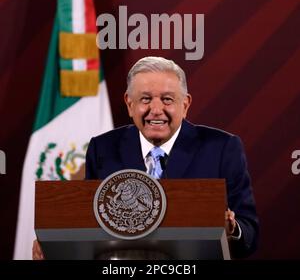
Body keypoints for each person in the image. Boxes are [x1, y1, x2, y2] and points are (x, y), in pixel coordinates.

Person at [33, 56, 258, 260]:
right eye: (145, 99)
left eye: (167, 99)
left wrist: (232, 229)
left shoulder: (221, 148)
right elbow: (90, 224)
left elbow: (250, 232)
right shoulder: (103, 148)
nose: (156, 109)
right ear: (130, 104)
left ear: (186, 104)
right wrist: (53, 245)